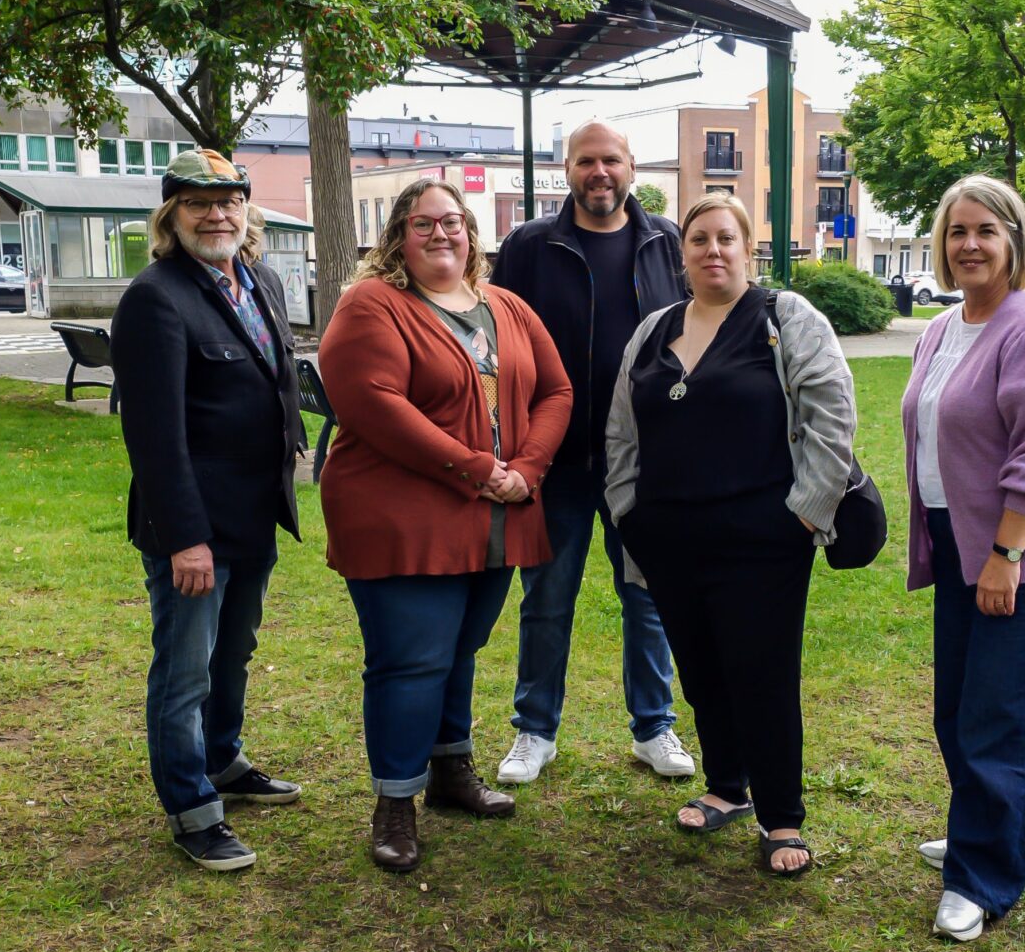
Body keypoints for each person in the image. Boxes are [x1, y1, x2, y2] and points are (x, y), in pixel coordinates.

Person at [317, 178, 572, 873]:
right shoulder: (372, 304)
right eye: (424, 224)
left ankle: (452, 774)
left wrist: (529, 465)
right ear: (399, 235)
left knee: (458, 653)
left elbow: (556, 389)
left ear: (472, 233)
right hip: (402, 515)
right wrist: (477, 466)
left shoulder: (507, 306)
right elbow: (373, 406)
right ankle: (395, 801)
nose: (441, 235)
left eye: (453, 222)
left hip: (494, 514)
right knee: (411, 662)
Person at [604, 193, 857, 876]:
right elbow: (622, 431)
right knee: (702, 669)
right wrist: (629, 514)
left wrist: (803, 513)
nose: (712, 250)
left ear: (748, 248)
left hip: (764, 540)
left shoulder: (784, 317)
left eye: (726, 238)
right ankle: (726, 788)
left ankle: (782, 817)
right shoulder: (654, 330)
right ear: (681, 253)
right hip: (670, 539)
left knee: (762, 674)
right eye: (699, 240)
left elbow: (831, 416)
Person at [901, 175, 1025, 941]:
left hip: (1022, 551)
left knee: (999, 721)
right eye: (956, 232)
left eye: (986, 230)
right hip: (959, 542)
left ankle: (982, 876)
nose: (969, 244)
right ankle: (987, 827)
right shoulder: (944, 328)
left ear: (1016, 239)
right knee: (957, 711)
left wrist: (1008, 551)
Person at [110, 149, 304, 872]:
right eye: (198, 203)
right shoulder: (156, 298)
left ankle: (223, 760)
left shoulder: (260, 281)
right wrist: (186, 539)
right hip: (194, 529)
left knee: (234, 654)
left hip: (254, 515)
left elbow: (275, 375)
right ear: (172, 217)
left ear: (245, 210)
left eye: (228, 201)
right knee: (185, 669)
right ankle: (193, 808)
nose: (216, 214)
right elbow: (155, 438)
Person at [489, 120, 694, 784]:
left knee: (650, 596)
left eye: (610, 160)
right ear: (567, 170)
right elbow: (498, 342)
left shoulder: (667, 244)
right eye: (585, 161)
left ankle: (654, 727)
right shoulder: (529, 246)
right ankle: (534, 729)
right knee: (547, 597)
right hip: (557, 461)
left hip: (647, 462)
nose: (598, 172)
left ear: (632, 168)